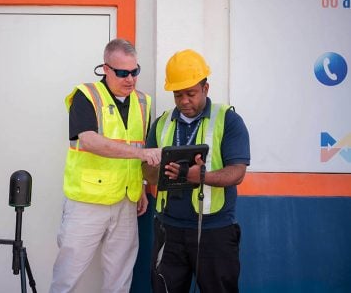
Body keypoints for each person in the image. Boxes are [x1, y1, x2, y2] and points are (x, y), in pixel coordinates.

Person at [50, 38, 161, 293]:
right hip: (87, 203)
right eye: (123, 73)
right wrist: (142, 155)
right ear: (106, 69)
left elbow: (140, 144)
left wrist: (142, 186)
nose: (130, 79)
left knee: (120, 278)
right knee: (68, 275)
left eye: (135, 72)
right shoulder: (86, 95)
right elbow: (89, 141)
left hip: (126, 201)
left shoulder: (143, 102)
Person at [142, 49, 250, 293]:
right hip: (168, 230)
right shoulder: (161, 122)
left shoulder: (228, 120)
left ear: (206, 88)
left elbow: (237, 173)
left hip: (215, 231)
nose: (184, 101)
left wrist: (199, 176)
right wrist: (159, 171)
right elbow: (145, 174)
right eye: (177, 95)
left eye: (190, 94)